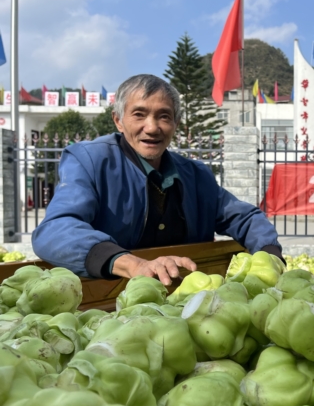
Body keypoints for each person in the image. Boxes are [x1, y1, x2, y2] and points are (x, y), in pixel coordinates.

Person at [32, 74, 282, 286]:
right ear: (118, 120)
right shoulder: (89, 161)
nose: (152, 128)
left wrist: (269, 257)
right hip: (109, 298)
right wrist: (130, 263)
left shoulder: (196, 175)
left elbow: (245, 217)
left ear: (176, 124)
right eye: (139, 114)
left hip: (187, 299)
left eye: (164, 116)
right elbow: (54, 230)